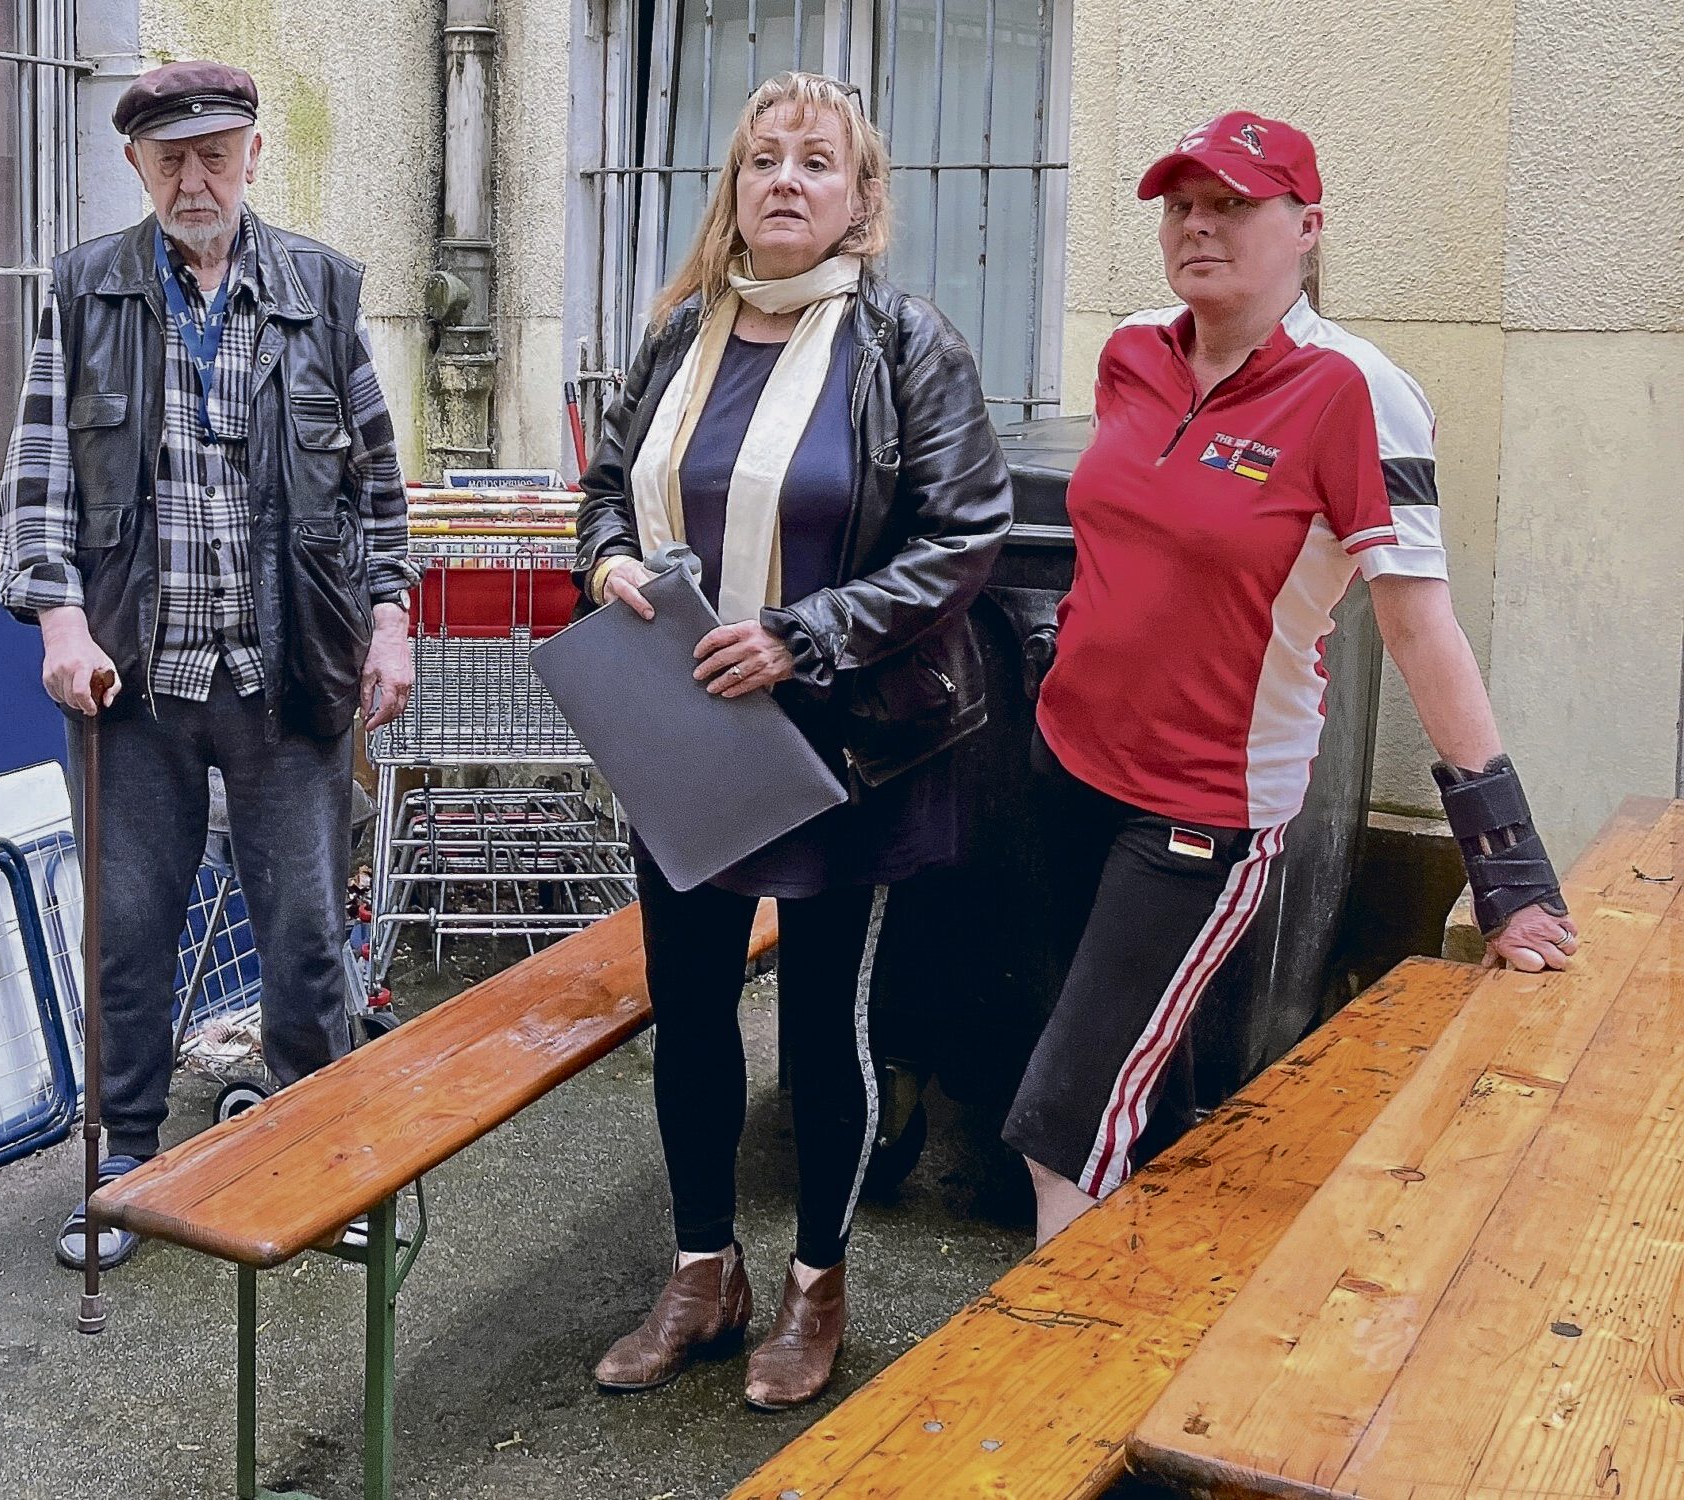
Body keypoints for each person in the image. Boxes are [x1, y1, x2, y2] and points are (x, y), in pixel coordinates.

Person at [1003, 112, 1580, 1246]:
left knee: (1064, 1125)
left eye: (1233, 205)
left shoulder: (1358, 393)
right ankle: (1124, 1332)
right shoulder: (1131, 353)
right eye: (1180, 205)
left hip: (1199, 809)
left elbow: (1421, 631)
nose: (1197, 225)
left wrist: (1507, 868)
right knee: (1086, 1082)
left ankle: (1061, 1394)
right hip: (1063, 767)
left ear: (1307, 228)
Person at [573, 73, 1011, 1410]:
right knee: (693, 1016)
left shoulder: (906, 346)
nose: (784, 180)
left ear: (860, 201)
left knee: (826, 1029)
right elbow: (604, 487)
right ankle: (706, 1275)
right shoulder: (679, 337)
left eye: (816, 163)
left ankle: (818, 1288)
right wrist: (603, 563)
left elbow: (968, 532)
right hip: (689, 744)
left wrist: (802, 634)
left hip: (848, 749)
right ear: (732, 190)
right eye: (763, 158)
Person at [0, 60, 419, 1272]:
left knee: (300, 931)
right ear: (136, 164)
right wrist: (59, 623)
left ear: (252, 155)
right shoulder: (84, 291)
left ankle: (314, 1153)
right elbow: (37, 485)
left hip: (288, 672)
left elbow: (379, 487)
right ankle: (121, 1162)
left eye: (215, 153)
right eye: (169, 157)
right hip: (134, 676)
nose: (195, 178)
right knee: (130, 931)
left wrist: (390, 620)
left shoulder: (322, 290)